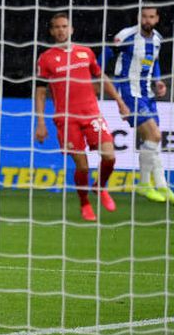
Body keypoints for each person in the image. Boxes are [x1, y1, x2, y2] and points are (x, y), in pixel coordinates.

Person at [34, 12, 130, 221]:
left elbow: (101, 78)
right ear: (52, 32)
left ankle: (100, 186)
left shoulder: (85, 53)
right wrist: (40, 122)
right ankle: (84, 202)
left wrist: (120, 102)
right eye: (57, 27)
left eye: (64, 26)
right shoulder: (46, 58)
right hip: (66, 119)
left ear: (71, 29)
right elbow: (41, 92)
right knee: (82, 166)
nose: (61, 30)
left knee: (110, 156)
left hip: (91, 114)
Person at [103, 6, 171, 203]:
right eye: (144, 16)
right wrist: (99, 75)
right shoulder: (126, 36)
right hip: (129, 92)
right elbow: (107, 54)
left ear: (157, 19)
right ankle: (143, 183)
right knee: (155, 135)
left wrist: (158, 80)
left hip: (147, 94)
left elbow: (153, 62)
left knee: (153, 140)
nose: (147, 20)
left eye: (151, 17)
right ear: (138, 17)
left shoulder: (157, 38)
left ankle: (161, 185)